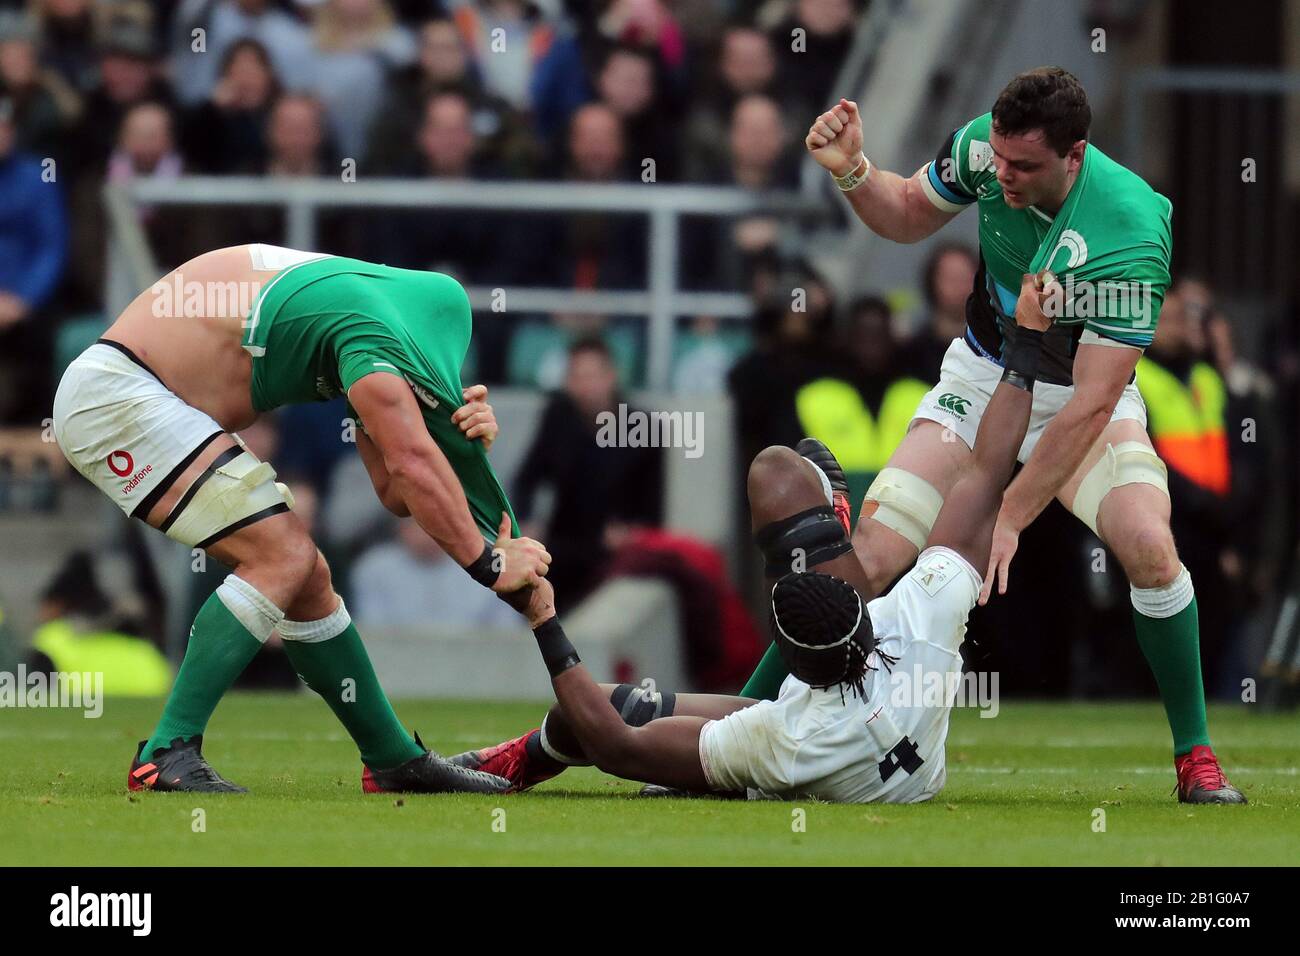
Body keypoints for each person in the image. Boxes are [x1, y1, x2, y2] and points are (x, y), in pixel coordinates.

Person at [777, 66, 1244, 803]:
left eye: (1023, 166)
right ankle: (743, 722)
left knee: (1151, 550)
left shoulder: (1131, 225)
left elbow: (1092, 402)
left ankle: (1195, 756)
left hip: (1079, 400)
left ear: (1076, 156)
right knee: (867, 557)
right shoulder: (983, 152)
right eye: (998, 158)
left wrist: (1013, 515)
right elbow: (903, 213)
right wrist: (855, 171)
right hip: (982, 378)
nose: (1003, 176)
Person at [448, 270, 1056, 801]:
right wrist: (1027, 344)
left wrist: (542, 616)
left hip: (811, 750)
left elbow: (616, 746)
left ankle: (517, 763)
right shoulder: (921, 617)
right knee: (613, 712)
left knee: (589, 714)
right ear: (861, 615)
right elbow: (985, 472)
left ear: (790, 664)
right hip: (894, 750)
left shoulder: (782, 736)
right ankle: (833, 529)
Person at [52, 243, 552, 795]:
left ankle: (393, 760)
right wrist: (489, 563)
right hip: (119, 395)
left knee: (306, 576)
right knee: (281, 555)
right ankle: (167, 750)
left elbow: (392, 492)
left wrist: (452, 436)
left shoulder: (372, 312)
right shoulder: (374, 341)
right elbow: (410, 467)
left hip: (132, 392)